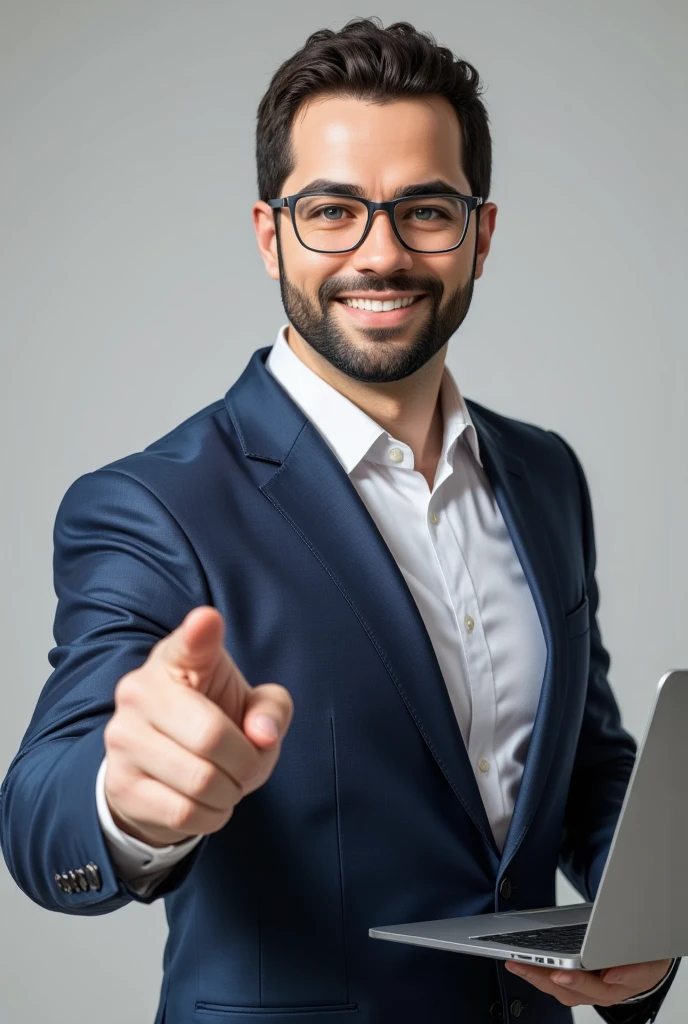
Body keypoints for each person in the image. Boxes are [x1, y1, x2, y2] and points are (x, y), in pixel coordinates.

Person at [0, 17, 680, 1024]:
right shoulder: (152, 505)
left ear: (480, 235)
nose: (380, 253)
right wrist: (132, 801)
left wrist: (646, 927)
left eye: (425, 211)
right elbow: (42, 809)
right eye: (331, 210)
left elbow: (580, 764)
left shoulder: (544, 475)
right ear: (270, 232)